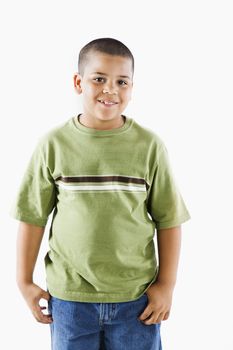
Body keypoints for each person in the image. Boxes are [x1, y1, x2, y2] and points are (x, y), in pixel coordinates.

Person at [10, 37, 191, 350]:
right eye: (99, 79)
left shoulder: (149, 146)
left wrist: (166, 285)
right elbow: (32, 217)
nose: (111, 90)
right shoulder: (53, 145)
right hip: (69, 300)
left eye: (122, 81)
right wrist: (24, 281)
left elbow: (168, 219)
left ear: (132, 87)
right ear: (79, 82)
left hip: (136, 300)